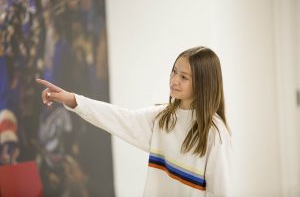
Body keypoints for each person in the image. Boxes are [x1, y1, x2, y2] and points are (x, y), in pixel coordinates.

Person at [36, 46, 232, 197]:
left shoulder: (214, 132)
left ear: (202, 82)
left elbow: (219, 192)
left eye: (184, 77)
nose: (174, 80)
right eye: (173, 71)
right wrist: (72, 99)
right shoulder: (162, 118)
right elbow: (118, 118)